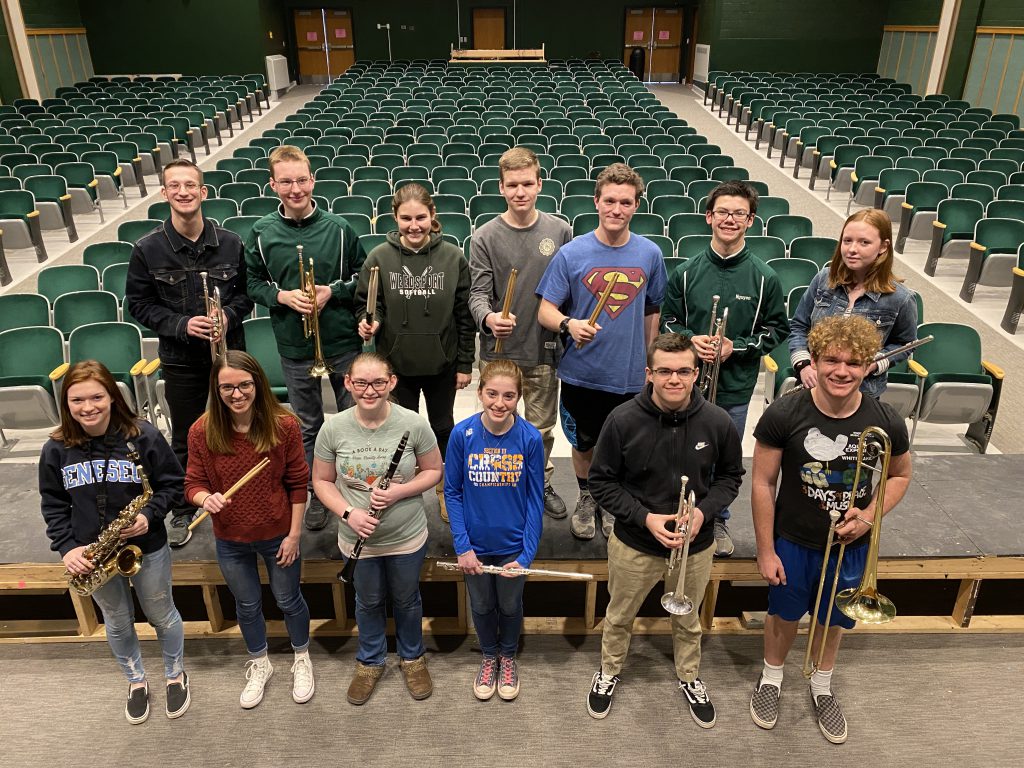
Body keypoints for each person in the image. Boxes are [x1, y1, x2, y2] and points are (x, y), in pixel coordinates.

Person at [749, 315, 912, 745]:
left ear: (868, 366)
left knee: (834, 617)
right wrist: (766, 550)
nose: (841, 371)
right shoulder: (784, 412)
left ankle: (821, 685)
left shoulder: (886, 420)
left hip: (850, 546)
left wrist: (869, 515)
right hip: (794, 539)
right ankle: (772, 678)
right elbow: (763, 483)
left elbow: (899, 476)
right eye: (832, 360)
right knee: (783, 613)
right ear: (815, 362)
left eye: (853, 363)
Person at [586, 333, 743, 726]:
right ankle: (609, 671)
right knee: (620, 614)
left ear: (697, 373)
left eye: (684, 371)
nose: (675, 379)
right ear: (649, 373)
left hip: (695, 545)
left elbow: (731, 477)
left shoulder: (718, 421)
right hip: (635, 543)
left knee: (688, 618)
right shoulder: (622, 420)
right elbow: (601, 482)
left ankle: (689, 675)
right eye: (665, 371)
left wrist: (704, 514)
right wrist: (645, 518)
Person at [39, 361, 189, 724]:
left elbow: (172, 484)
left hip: (146, 546)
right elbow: (53, 503)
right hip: (92, 553)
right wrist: (68, 547)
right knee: (117, 622)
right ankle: (136, 681)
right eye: (77, 400)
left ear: (112, 396)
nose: (87, 407)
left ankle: (175, 674)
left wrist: (148, 515)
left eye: (96, 397)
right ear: (66, 403)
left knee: (161, 614)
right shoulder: (56, 449)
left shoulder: (143, 436)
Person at [126, 158, 253, 547]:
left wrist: (227, 317)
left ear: (203, 192)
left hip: (230, 356)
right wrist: (182, 325)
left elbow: (247, 296)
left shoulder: (230, 242)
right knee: (185, 436)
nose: (183, 192)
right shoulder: (147, 249)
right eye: (174, 186)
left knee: (240, 431)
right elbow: (139, 305)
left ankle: (242, 496)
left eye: (190, 185)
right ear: (164, 193)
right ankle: (183, 509)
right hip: (182, 360)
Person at [537, 163, 667, 541]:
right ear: (596, 201)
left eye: (625, 202)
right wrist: (569, 324)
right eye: (609, 200)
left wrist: (650, 360)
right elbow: (546, 309)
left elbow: (652, 309)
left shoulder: (650, 254)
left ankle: (613, 502)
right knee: (584, 442)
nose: (616, 209)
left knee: (624, 446)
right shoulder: (571, 253)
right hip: (582, 372)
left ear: (636, 206)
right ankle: (587, 497)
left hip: (628, 374)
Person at [661, 180, 789, 558]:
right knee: (676, 454)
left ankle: (716, 519)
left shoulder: (766, 277)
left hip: (733, 388)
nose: (729, 220)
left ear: (750, 220)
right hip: (683, 386)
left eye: (738, 213)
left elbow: (778, 329)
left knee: (721, 459)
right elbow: (668, 320)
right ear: (709, 217)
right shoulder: (685, 272)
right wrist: (690, 340)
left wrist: (739, 346)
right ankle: (673, 513)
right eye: (722, 212)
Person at [245, 145, 366, 532]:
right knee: (309, 426)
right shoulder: (262, 233)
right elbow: (249, 282)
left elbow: (364, 277)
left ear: (312, 180)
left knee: (352, 419)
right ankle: (318, 494)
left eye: (301, 179)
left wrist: (333, 290)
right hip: (296, 347)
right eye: (286, 181)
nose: (295, 188)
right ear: (273, 185)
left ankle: (355, 491)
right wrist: (280, 296)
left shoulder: (339, 228)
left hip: (342, 341)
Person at [184, 351, 313, 709]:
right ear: (217, 388)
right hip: (230, 538)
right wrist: (204, 498)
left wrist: (294, 535)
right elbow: (192, 483)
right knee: (247, 604)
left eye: (244, 385)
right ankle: (260, 663)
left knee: (289, 600)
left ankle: (301, 657)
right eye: (227, 387)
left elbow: (299, 484)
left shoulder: (283, 425)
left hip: (277, 534)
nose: (237, 394)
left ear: (257, 383)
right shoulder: (201, 430)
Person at [312, 352, 443, 705]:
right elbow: (322, 480)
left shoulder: (413, 423)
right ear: (348, 384)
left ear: (392, 383)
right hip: (357, 537)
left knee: (407, 599)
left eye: (378, 383)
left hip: (405, 536)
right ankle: (370, 661)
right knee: (367, 601)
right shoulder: (333, 427)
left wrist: (399, 490)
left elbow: (434, 470)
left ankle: (412, 658)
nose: (369, 391)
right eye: (361, 383)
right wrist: (348, 513)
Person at [354, 183, 475, 523]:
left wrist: (465, 362)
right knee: (401, 435)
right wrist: (369, 323)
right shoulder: (379, 257)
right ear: (394, 218)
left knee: (442, 428)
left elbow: (464, 316)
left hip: (442, 364)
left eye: (421, 217)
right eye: (405, 218)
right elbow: (367, 305)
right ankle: (404, 494)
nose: (414, 225)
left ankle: (446, 491)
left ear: (432, 216)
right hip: (396, 368)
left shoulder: (453, 256)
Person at [469, 147, 573, 520]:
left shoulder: (560, 230)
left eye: (527, 183)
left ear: (539, 183)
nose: (520, 192)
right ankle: (502, 482)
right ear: (501, 187)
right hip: (499, 353)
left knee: (541, 429)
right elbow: (477, 293)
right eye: (512, 185)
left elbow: (569, 291)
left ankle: (538, 481)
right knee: (497, 422)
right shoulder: (484, 236)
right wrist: (488, 317)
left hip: (544, 351)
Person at [444, 359, 545, 701]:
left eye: (508, 395)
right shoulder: (462, 434)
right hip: (474, 546)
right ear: (480, 391)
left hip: (513, 548)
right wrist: (463, 546)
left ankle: (507, 655)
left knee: (510, 605)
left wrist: (526, 554)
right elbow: (453, 493)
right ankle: (489, 655)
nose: (499, 403)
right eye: (491, 393)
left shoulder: (529, 438)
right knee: (483, 603)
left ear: (519, 396)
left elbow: (535, 501)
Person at [789, 208, 918, 398]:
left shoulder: (901, 298)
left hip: (863, 392)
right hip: (813, 388)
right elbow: (799, 326)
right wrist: (803, 365)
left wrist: (874, 363)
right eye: (847, 240)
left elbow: (905, 343)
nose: (852, 249)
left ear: (883, 246)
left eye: (864, 242)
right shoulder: (823, 279)